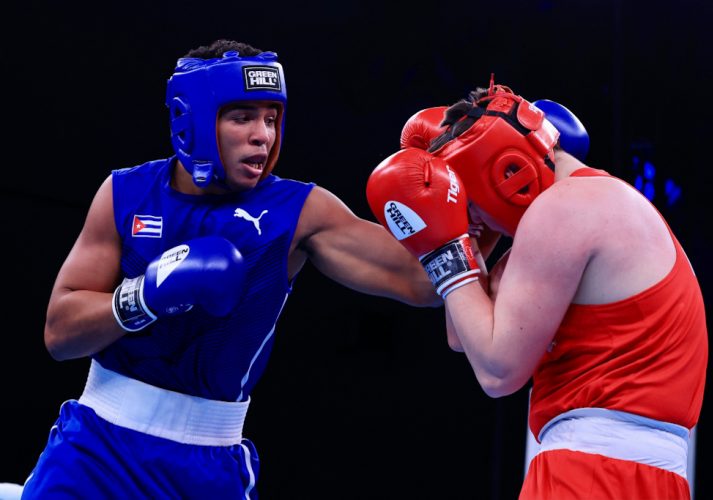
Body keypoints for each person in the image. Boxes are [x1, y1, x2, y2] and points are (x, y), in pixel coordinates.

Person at [20, 39, 440, 499]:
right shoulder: (126, 194)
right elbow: (59, 335)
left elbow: (422, 281)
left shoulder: (298, 212)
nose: (264, 135)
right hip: (95, 451)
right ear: (193, 120)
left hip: (209, 467)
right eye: (242, 117)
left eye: (271, 118)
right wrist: (143, 298)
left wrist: (484, 211)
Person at [366, 83, 708, 499]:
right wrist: (468, 233)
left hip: (594, 473)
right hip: (638, 473)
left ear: (507, 172)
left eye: (469, 201)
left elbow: (497, 370)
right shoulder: (589, 201)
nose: (468, 214)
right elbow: (464, 337)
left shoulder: (563, 210)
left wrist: (443, 249)